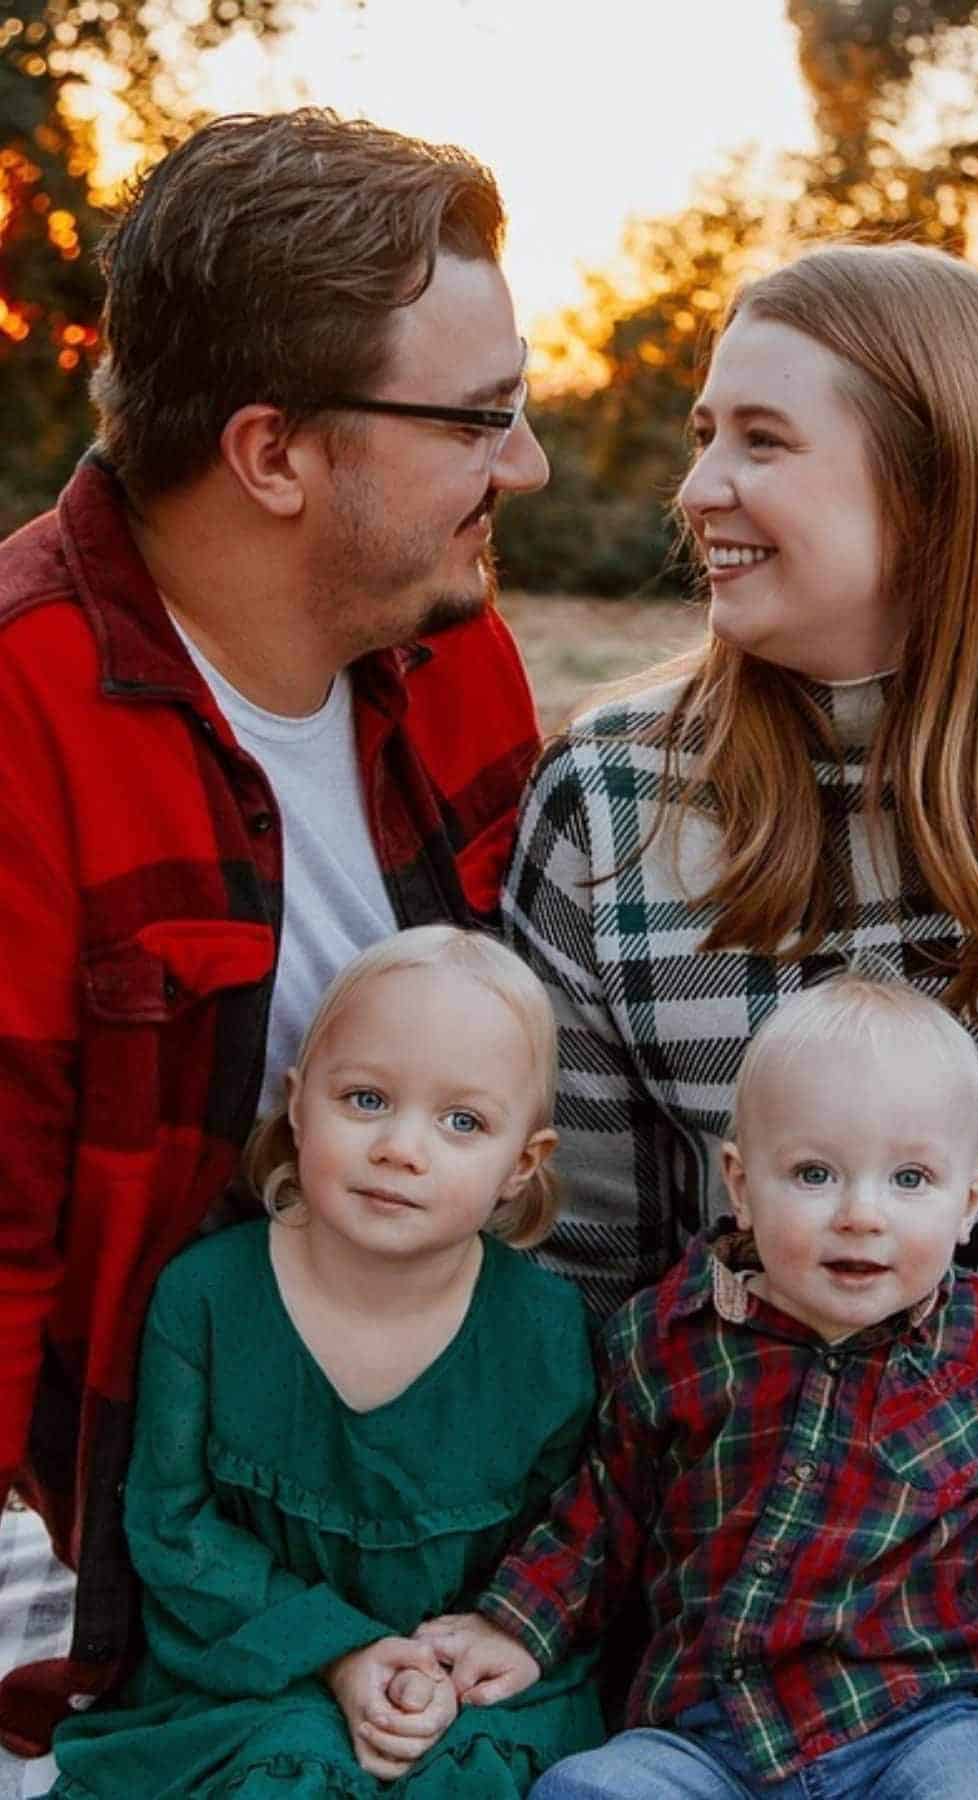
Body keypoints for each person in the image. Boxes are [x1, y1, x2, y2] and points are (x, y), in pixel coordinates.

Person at [500, 242, 978, 1797]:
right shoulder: (611, 807)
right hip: (789, 1539)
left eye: (762, 440)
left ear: (938, 484)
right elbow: (575, 1271)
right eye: (701, 436)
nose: (698, 492)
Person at [0, 107, 549, 1759]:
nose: (520, 465)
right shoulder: (21, 726)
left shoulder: (458, 656)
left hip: (475, 1530)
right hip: (164, 1566)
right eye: (479, 419)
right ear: (274, 453)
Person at [417, 975, 978, 1799]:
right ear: (742, 1186)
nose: (861, 1213)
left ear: (970, 1203)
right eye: (815, 1175)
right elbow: (605, 1509)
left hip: (922, 1717)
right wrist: (518, 1625)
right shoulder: (670, 1337)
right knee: (587, 1789)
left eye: (910, 1181)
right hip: (710, 1732)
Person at [47, 926, 603, 1798]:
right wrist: (339, 1649)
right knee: (290, 1769)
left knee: (476, 1775)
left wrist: (481, 1646)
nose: (401, 1149)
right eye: (367, 1100)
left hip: (458, 1669)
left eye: (463, 1122)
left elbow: (572, 1525)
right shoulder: (206, 1298)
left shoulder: (545, 1329)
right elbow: (172, 1527)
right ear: (298, 1105)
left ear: (520, 1167)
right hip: (257, 1660)